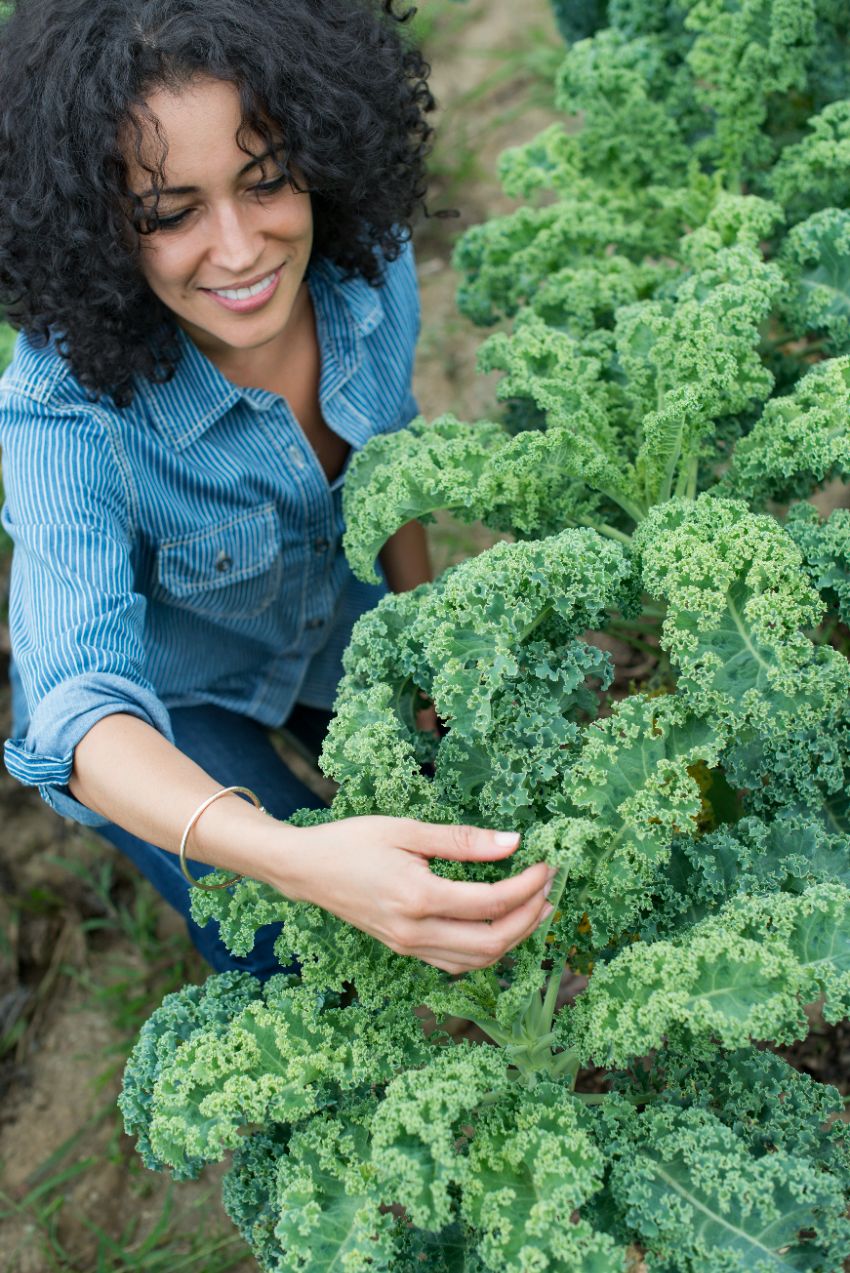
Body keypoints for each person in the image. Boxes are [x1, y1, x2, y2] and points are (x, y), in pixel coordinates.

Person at [0, 0, 555, 979]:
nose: (242, 248)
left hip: (337, 624)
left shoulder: (362, 265)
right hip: (174, 705)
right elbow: (80, 713)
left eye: (267, 182)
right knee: (297, 949)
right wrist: (298, 859)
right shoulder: (64, 412)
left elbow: (389, 461)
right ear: (94, 228)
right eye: (170, 215)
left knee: (490, 803)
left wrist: (421, 629)